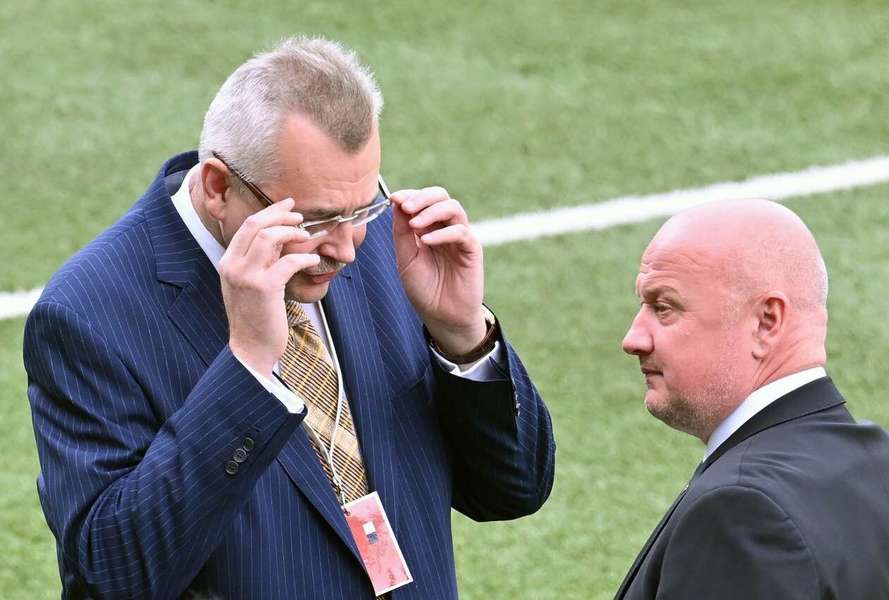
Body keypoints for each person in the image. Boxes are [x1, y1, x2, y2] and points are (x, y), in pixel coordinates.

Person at [24, 36, 554, 599]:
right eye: (316, 220)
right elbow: (115, 575)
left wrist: (462, 334)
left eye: (363, 206)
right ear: (218, 186)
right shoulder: (86, 314)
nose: (347, 248)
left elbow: (514, 489)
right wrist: (247, 369)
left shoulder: (376, 240)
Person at [615, 199, 889, 599]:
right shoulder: (886, 465)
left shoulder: (742, 512)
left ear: (767, 321)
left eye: (664, 308)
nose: (634, 338)